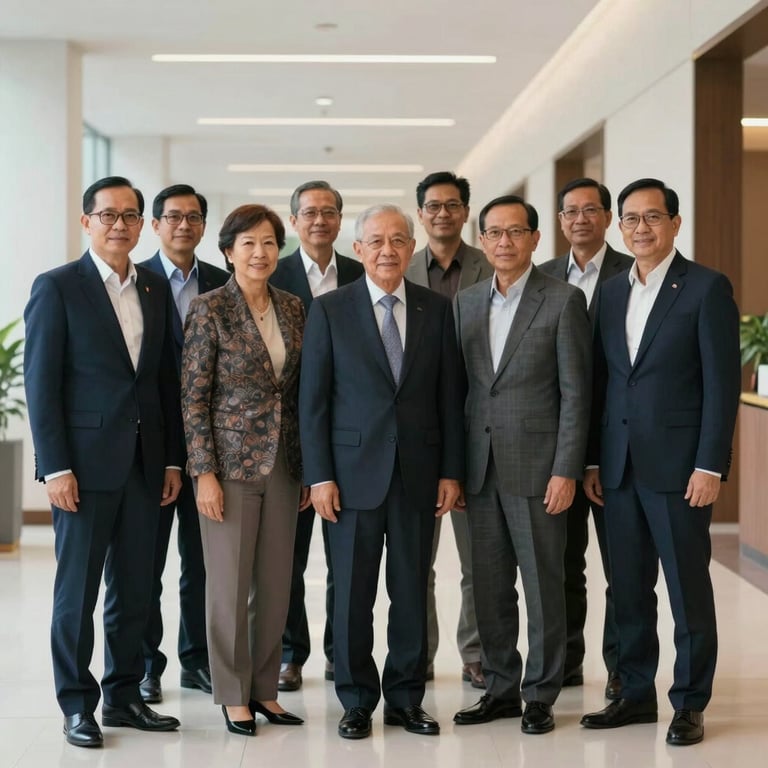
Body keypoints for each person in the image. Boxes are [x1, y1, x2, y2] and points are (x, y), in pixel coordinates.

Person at [23, 176, 184, 748]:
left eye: (131, 215)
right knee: (78, 592)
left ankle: (122, 696)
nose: (121, 224)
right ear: (87, 221)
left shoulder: (155, 291)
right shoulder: (58, 287)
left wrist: (171, 461)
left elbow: (164, 381)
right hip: (84, 471)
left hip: (146, 467)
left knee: (136, 588)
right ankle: (76, 704)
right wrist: (56, 466)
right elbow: (40, 385)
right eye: (108, 214)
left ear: (144, 225)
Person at [580, 178, 741, 746]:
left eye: (652, 217)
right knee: (627, 590)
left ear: (675, 223)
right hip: (618, 470)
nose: (640, 228)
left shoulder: (705, 288)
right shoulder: (612, 292)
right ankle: (635, 694)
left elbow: (722, 387)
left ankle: (690, 703)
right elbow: (604, 382)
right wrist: (595, 460)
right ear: (618, 227)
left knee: (686, 590)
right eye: (630, 219)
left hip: (679, 471)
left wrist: (710, 464)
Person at [299, 204, 464, 739]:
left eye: (398, 240)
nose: (387, 250)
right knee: (350, 594)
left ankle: (406, 699)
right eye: (376, 241)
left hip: (418, 474)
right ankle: (355, 699)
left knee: (412, 590)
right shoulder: (328, 310)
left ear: (411, 248)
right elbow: (314, 401)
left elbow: (449, 398)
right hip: (349, 477)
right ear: (358, 249)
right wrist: (319, 475)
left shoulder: (438, 310)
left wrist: (450, 471)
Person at [453, 194, 592, 735]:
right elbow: (459, 390)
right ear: (482, 241)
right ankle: (501, 688)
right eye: (494, 233)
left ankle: (540, 693)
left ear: (536, 239)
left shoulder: (563, 301)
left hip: (539, 469)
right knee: (487, 586)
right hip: (478, 469)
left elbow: (576, 395)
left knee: (542, 585)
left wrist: (566, 469)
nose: (504, 242)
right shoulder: (464, 303)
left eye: (516, 232)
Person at [181, 204, 308, 736]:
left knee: (277, 584)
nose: (261, 253)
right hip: (229, 468)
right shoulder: (208, 309)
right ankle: (232, 694)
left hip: (284, 464)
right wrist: (203, 473)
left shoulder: (294, 306)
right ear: (229, 251)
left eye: (270, 243)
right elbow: (193, 397)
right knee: (229, 586)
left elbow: (300, 391)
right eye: (249, 243)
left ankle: (265, 691)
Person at [538, 178, 633, 699]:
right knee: (562, 564)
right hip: (558, 450)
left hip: (617, 449)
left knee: (623, 567)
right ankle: (567, 663)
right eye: (570, 211)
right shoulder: (544, 277)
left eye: (591, 210)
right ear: (559, 221)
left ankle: (620, 668)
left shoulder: (631, 273)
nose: (580, 219)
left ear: (607, 217)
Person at [269, 180, 364, 691]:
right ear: (294, 221)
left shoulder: (359, 271)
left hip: (350, 434)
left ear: (341, 220)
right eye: (309, 213)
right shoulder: (274, 274)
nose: (320, 220)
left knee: (345, 556)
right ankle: (290, 653)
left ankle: (337, 651)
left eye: (329, 212)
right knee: (289, 555)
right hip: (286, 437)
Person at [137, 184, 230, 704]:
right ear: (156, 225)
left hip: (211, 451)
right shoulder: (138, 281)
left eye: (193, 217)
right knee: (144, 567)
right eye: (173, 217)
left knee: (203, 565)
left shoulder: (223, 282)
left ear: (203, 226)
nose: (183, 225)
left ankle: (197, 662)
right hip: (150, 446)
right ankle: (147, 666)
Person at [406, 170, 493, 689]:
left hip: (480, 429)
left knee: (477, 559)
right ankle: (419, 655)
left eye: (452, 205)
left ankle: (476, 653)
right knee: (418, 561)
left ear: (466, 212)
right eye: (433, 206)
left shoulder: (490, 263)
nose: (443, 213)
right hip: (420, 433)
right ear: (420, 214)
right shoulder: (400, 265)